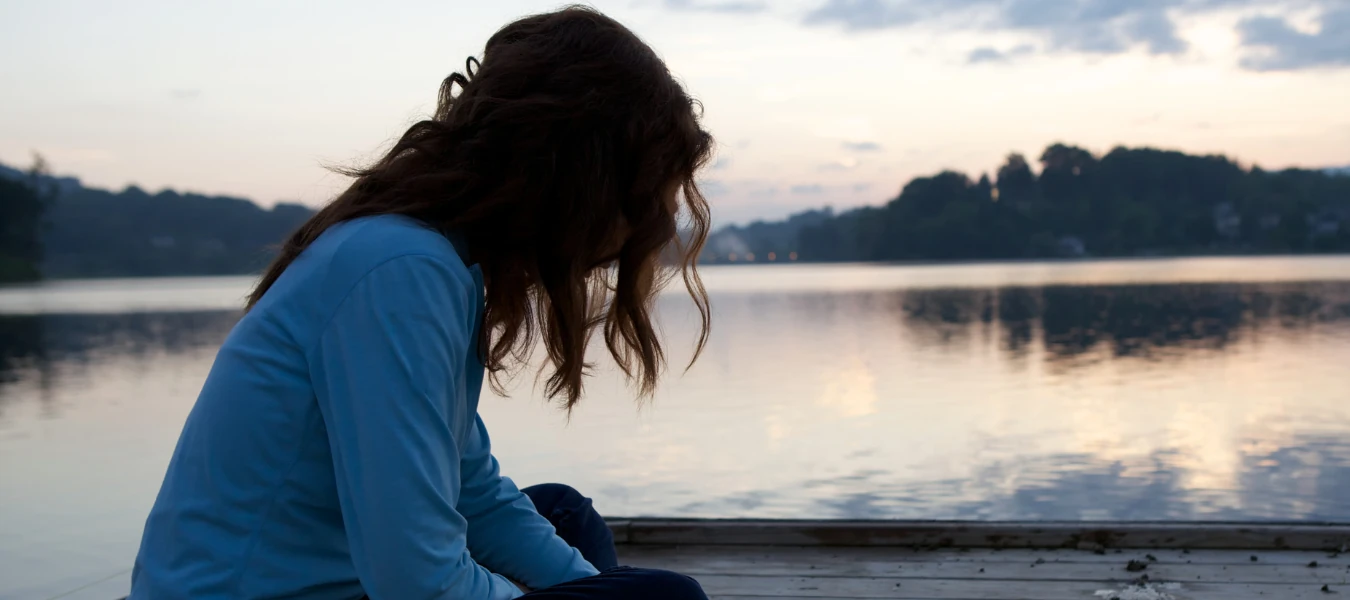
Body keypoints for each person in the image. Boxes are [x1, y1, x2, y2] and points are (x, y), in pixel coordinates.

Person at [129, 6, 714, 599]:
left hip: (338, 576)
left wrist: (588, 590)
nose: (651, 226)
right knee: (668, 598)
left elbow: (468, 486)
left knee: (563, 516)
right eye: (646, 195)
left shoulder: (431, 260)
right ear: (583, 175)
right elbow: (417, 584)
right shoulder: (400, 271)